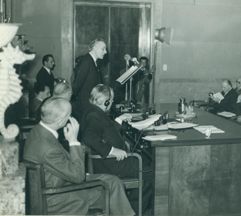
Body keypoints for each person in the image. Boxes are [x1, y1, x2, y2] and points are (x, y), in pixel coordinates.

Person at [22, 98, 134, 215]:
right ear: (61, 121)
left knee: (113, 181)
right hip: (56, 198)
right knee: (110, 189)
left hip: (57, 182)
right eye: (70, 115)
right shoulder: (48, 148)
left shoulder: (37, 131)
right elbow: (78, 177)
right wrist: (73, 141)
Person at [79, 85, 153, 214]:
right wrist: (111, 150)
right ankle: (135, 210)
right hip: (110, 164)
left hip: (109, 162)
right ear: (106, 101)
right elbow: (89, 137)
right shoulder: (93, 115)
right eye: (111, 100)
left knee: (146, 165)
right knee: (150, 172)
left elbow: (105, 130)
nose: (112, 103)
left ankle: (128, 205)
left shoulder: (93, 111)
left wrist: (118, 121)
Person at [72, 39, 106, 117]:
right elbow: (76, 85)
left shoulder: (92, 61)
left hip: (89, 105)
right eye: (103, 49)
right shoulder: (86, 61)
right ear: (94, 48)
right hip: (85, 107)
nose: (105, 52)